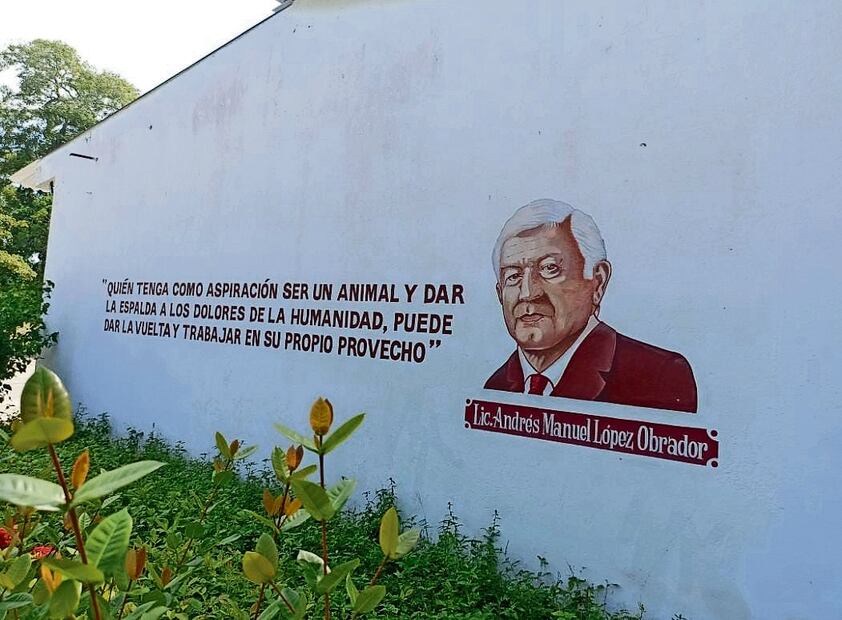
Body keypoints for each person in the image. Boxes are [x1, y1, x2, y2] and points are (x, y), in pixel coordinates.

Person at [484, 199, 697, 413]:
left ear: (598, 281)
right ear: (499, 293)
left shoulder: (658, 376)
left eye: (549, 268)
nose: (527, 292)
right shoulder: (496, 386)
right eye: (513, 276)